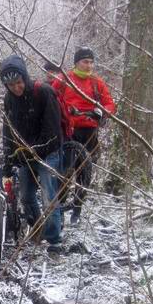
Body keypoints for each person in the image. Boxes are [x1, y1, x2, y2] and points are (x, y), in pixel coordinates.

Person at [0, 54, 64, 249]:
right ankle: (37, 232)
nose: (16, 88)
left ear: (25, 78)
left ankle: (53, 240)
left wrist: (35, 150)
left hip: (48, 152)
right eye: (11, 85)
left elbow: (52, 131)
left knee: (48, 195)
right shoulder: (9, 99)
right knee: (26, 196)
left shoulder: (44, 92)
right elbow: (8, 128)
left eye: (18, 82)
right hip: (26, 153)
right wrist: (9, 154)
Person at [52, 46, 115, 224]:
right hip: (68, 132)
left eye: (91, 62)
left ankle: (77, 212)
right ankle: (59, 210)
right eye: (85, 62)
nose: (88, 65)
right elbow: (51, 99)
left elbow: (110, 104)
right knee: (64, 172)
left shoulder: (97, 83)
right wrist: (64, 110)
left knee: (84, 173)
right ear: (76, 62)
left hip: (89, 133)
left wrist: (101, 111)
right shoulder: (64, 80)